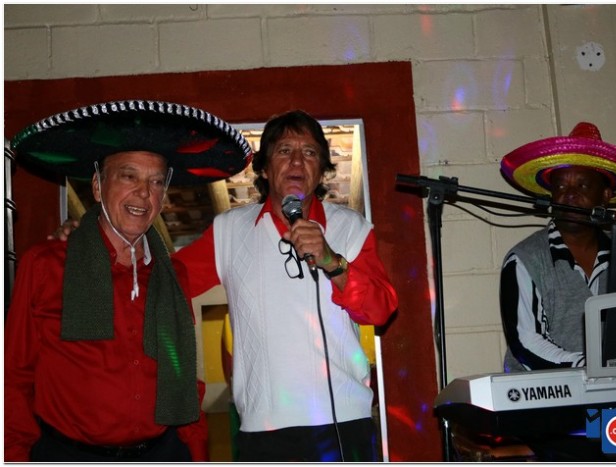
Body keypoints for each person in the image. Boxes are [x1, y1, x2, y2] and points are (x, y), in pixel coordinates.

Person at [50, 109, 399, 461]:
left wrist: (331, 261)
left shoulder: (352, 227)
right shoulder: (230, 230)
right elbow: (159, 281)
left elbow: (381, 310)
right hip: (263, 430)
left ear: (321, 169)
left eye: (309, 152)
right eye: (284, 150)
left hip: (344, 424)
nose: (297, 160)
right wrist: (94, 241)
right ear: (264, 168)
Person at [4, 100, 252, 461]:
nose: (144, 192)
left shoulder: (173, 275)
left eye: (156, 181)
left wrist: (196, 452)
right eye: (128, 176)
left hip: (163, 453)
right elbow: (13, 375)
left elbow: (182, 372)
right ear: (98, 186)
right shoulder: (47, 265)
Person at [497, 121, 616, 372]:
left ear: (605, 195)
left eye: (582, 185)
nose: (570, 194)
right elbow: (526, 343)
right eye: (561, 186)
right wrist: (593, 367)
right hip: (551, 394)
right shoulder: (525, 258)